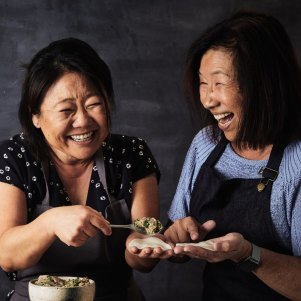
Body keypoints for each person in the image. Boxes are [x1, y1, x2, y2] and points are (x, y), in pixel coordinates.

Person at [0, 37, 163, 301]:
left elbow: (143, 255)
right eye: (66, 110)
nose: (83, 121)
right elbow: (7, 256)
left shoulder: (131, 154)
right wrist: (50, 222)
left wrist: (145, 246)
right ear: (35, 115)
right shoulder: (14, 157)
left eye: (93, 105)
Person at [163, 10, 301, 301]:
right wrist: (174, 239)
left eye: (219, 83)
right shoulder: (206, 143)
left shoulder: (296, 160)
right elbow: (175, 241)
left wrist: (248, 254)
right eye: (203, 83)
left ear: (262, 84)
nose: (208, 99)